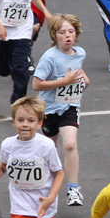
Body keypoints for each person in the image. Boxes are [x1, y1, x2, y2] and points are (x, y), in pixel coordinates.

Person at [32, 14, 88, 207]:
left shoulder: (79, 53)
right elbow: (37, 85)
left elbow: (77, 70)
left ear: (76, 33)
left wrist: (83, 81)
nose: (67, 36)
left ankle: (73, 189)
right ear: (54, 36)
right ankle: (47, 184)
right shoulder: (49, 57)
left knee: (70, 144)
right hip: (49, 109)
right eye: (62, 32)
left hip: (70, 106)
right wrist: (63, 82)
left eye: (71, 31)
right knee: (49, 148)